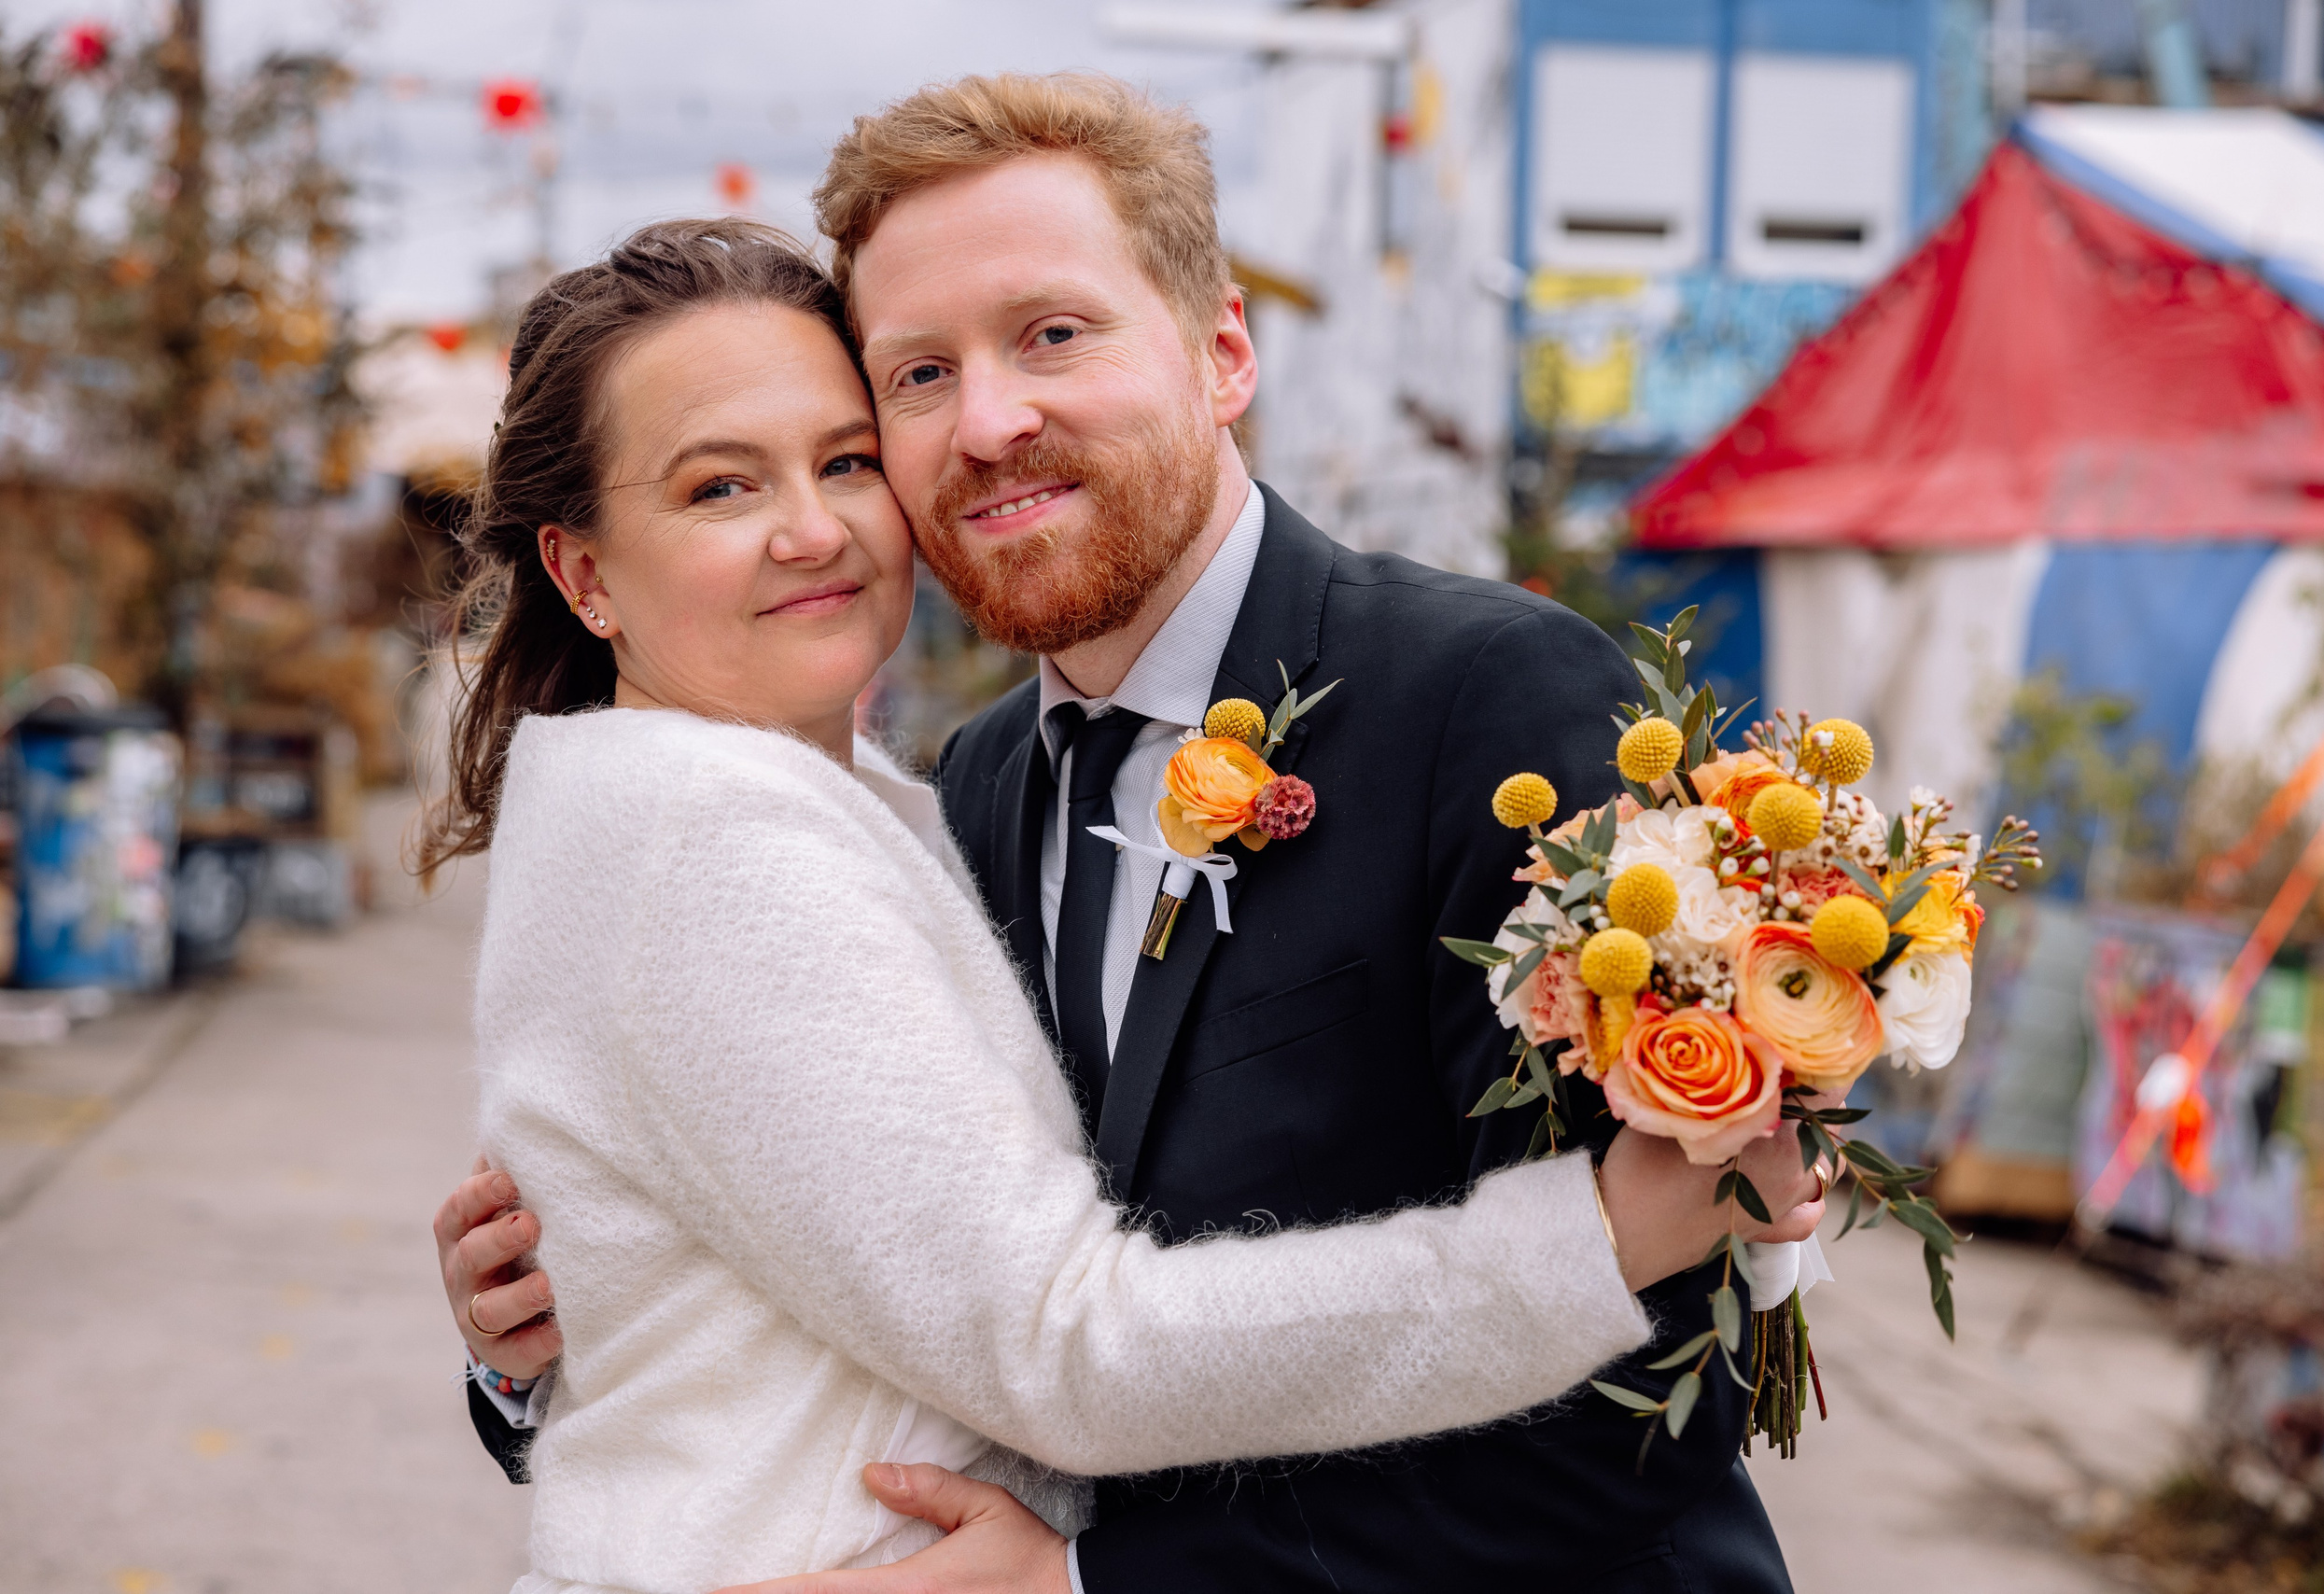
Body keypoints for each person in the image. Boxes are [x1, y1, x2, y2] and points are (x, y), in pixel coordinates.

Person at [433, 75, 1831, 1594]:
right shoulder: (972, 795)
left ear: (1221, 349)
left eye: (1052, 333)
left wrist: (1104, 1584)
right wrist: (583, 1311)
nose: (990, 422)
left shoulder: (1489, 709)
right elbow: (943, 1307)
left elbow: (1638, 1387)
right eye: (914, 377)